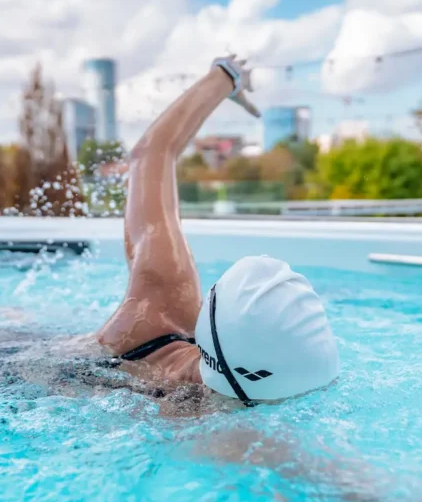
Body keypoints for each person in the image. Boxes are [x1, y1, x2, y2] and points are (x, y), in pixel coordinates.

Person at [94, 55, 340, 406]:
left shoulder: (168, 291)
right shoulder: (154, 310)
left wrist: (224, 78)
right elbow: (148, 154)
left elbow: (153, 155)